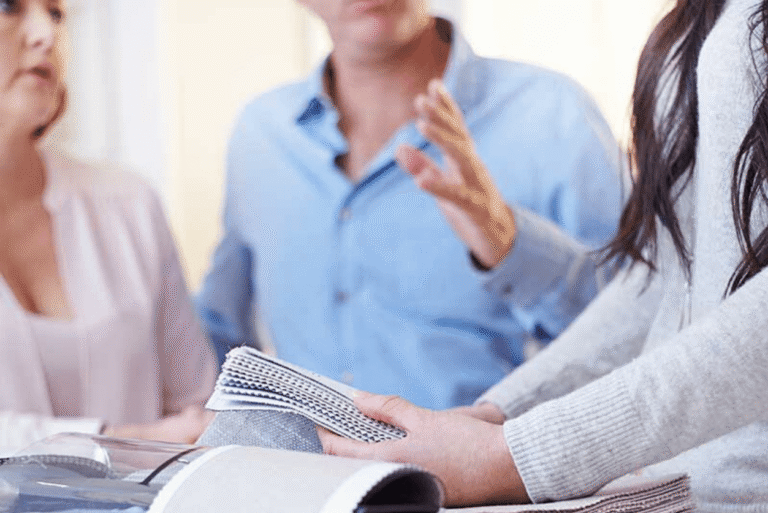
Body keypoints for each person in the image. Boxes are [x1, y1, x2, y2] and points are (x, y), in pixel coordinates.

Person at [318, 0, 768, 510]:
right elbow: (665, 278)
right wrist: (500, 415)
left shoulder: (554, 112)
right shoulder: (701, 23)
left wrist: (514, 454)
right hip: (677, 490)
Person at [197, 0, 626, 410]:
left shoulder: (552, 115)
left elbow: (635, 328)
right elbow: (217, 335)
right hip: (304, 477)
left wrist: (510, 242)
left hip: (497, 479)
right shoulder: (260, 135)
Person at [0, 0, 217, 456]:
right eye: (9, 6)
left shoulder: (128, 203)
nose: (46, 33)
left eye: (56, 13)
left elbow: (195, 409)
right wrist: (125, 442)